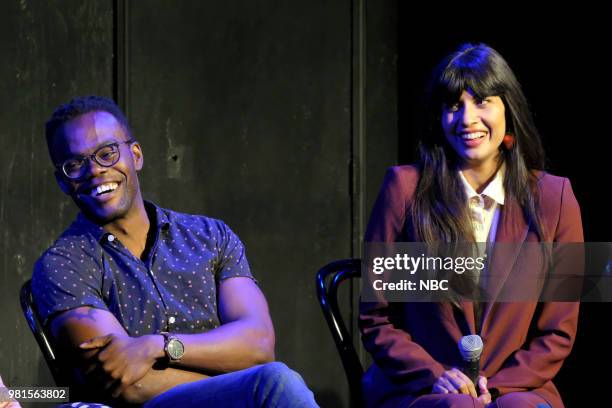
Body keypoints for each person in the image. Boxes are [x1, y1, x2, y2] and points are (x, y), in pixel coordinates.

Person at [31, 96, 319, 407]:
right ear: (63, 182)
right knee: (274, 383)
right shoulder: (63, 264)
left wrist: (158, 346)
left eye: (107, 153)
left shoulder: (210, 236)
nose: (95, 170)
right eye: (75, 164)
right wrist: (239, 385)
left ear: (136, 155)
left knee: (272, 381)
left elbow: (259, 345)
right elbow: (126, 383)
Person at [359, 43, 583, 408]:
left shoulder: (556, 198)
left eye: (482, 101)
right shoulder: (403, 189)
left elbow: (558, 331)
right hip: (425, 389)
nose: (467, 119)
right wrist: (435, 376)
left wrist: (494, 386)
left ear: (508, 108)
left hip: (520, 388)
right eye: (453, 105)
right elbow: (377, 318)